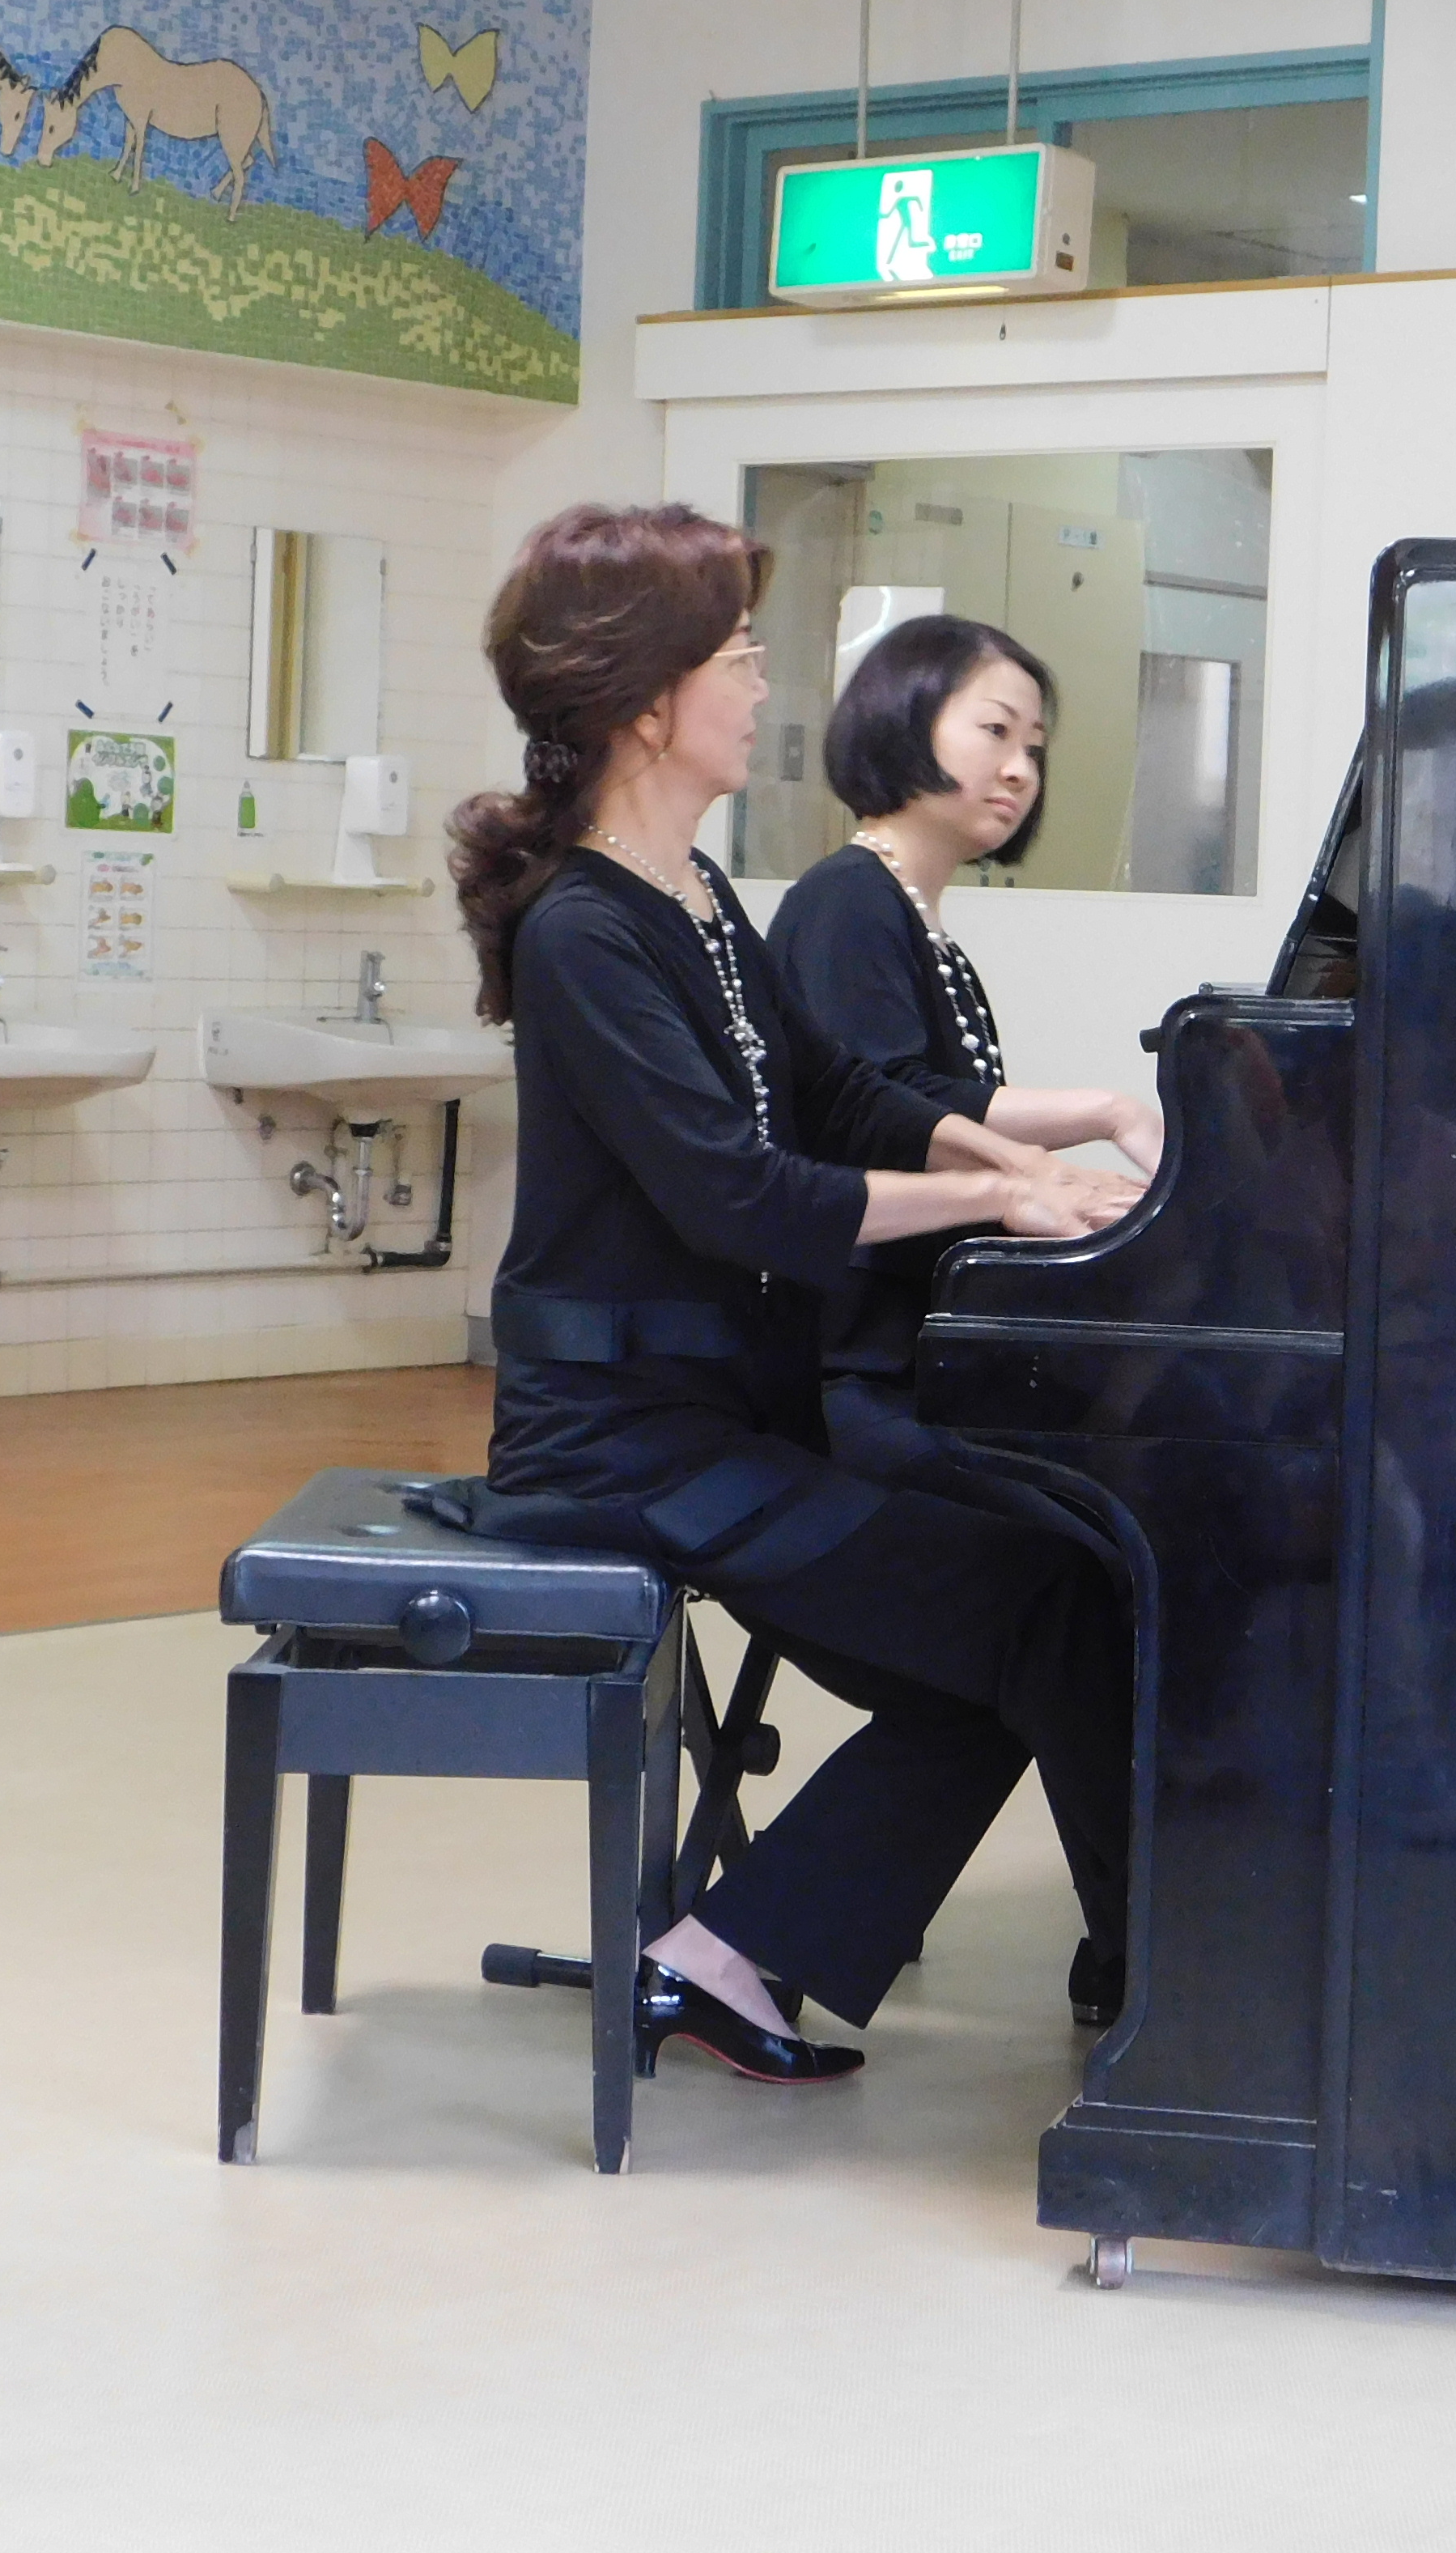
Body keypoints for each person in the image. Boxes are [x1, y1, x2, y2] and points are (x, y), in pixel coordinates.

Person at [438, 504, 1143, 2090]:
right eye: (741, 658)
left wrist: (1031, 1161)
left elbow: (840, 1095)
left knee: (1036, 1621)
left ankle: (727, 1959)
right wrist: (1003, 1196)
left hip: (726, 1420)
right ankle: (1158, 1993)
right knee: (1044, 1613)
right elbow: (742, 1194)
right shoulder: (582, 932)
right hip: (624, 1444)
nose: (766, 690)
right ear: (646, 700)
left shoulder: (693, 890)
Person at [766, 615, 1165, 1485]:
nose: (1020, 768)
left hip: (914, 1336)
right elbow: (887, 1103)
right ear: (901, 718)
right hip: (860, 1358)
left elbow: (934, 1105)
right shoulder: (845, 902)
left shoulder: (918, 921)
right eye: (995, 730)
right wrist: (1108, 1113)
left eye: (1034, 748)